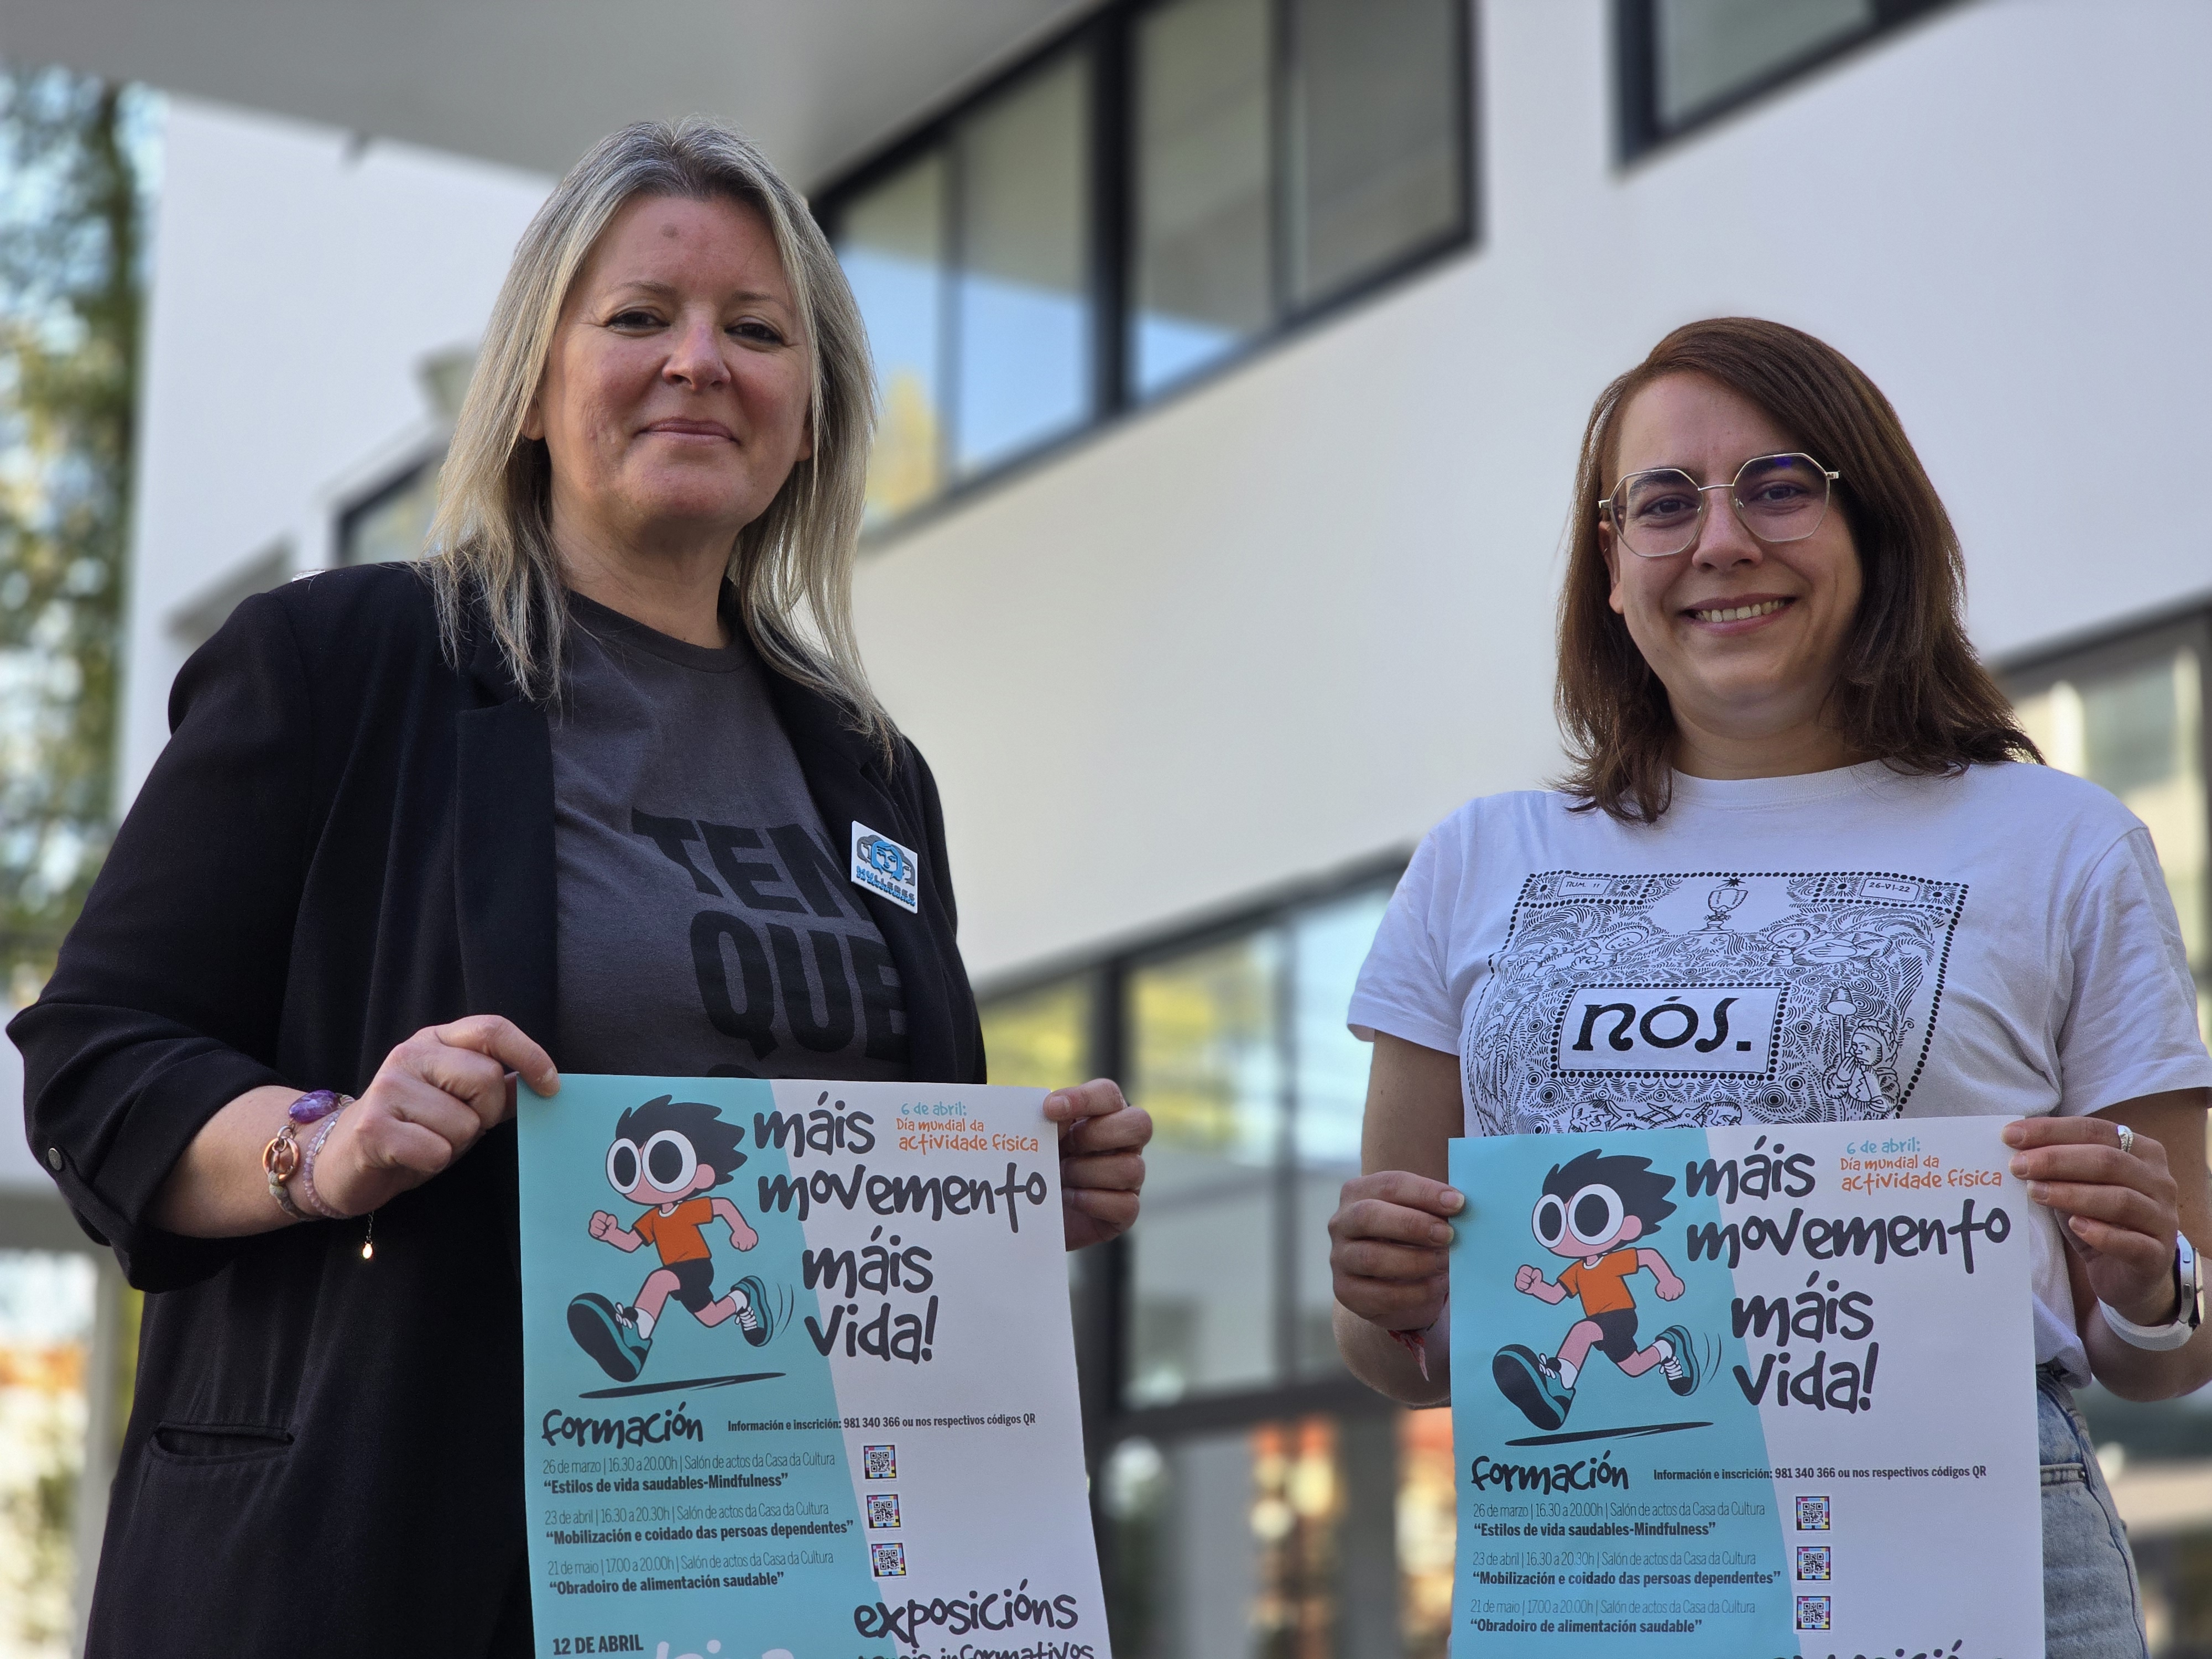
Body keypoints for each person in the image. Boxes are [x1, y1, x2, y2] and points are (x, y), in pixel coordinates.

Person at [9, 119, 1150, 1658]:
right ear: (536, 388)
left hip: (775, 1582)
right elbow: (96, 1060)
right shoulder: (340, 666)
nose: (699, 362)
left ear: (810, 416)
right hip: (385, 1565)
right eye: (639, 317)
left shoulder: (873, 772)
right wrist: (324, 1145)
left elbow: (856, 1179)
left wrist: (997, 1201)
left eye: (758, 332)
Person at [1328, 317, 2211, 1658]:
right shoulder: (1473, 862)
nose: (1720, 541)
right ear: (1609, 569)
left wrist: (2150, 1280)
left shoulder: (2063, 844)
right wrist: (1381, 1291)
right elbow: (1394, 1350)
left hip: (1969, 1554)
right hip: (1601, 1557)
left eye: (1779, 487)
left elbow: (2173, 1348)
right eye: (1661, 504)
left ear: (1874, 529)